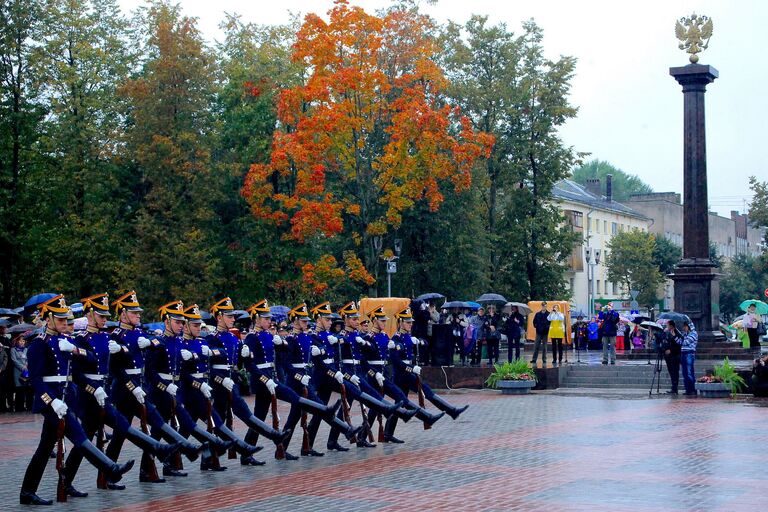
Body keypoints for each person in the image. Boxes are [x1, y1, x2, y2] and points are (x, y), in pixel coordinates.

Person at [20, 294, 134, 506]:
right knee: (78, 434)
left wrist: (74, 349)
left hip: (66, 398)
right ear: (48, 319)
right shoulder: (39, 344)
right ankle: (111, 467)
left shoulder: (66, 341)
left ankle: (27, 492)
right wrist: (51, 401)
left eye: (67, 320)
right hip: (51, 401)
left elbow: (91, 358)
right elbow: (35, 379)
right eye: (61, 320)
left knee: (45, 448)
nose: (66, 323)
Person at [63, 293, 181, 493]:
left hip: (106, 393)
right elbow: (78, 373)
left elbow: (132, 351)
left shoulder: (107, 336)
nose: (104, 319)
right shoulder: (83, 339)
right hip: (91, 395)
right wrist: (96, 388)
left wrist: (138, 346)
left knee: (108, 432)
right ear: (90, 315)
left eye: (105, 316)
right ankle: (79, 479)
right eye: (101, 316)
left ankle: (99, 475)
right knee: (89, 438)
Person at [11, 334, 32, 411]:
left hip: (26, 371)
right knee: (19, 389)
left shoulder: (26, 349)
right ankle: (19, 407)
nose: (22, 342)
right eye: (20, 341)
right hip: (18, 372)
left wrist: (27, 365)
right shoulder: (13, 350)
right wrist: (22, 367)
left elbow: (28, 359)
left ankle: (28, 406)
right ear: (17, 341)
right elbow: (14, 360)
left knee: (27, 388)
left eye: (23, 341)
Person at [663, 320, 682, 395]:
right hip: (668, 356)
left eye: (667, 325)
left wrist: (671, 350)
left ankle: (675, 388)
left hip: (675, 356)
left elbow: (679, 345)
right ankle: (673, 387)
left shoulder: (677, 333)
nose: (667, 327)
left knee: (675, 372)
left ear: (671, 326)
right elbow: (665, 342)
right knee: (671, 372)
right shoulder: (667, 333)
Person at [679, 320, 698, 396]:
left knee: (689, 372)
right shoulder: (685, 334)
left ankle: (692, 389)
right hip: (683, 353)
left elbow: (685, 342)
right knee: (685, 373)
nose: (684, 328)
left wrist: (680, 339)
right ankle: (687, 389)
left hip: (689, 354)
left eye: (685, 326)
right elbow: (680, 342)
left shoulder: (694, 333)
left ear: (689, 326)